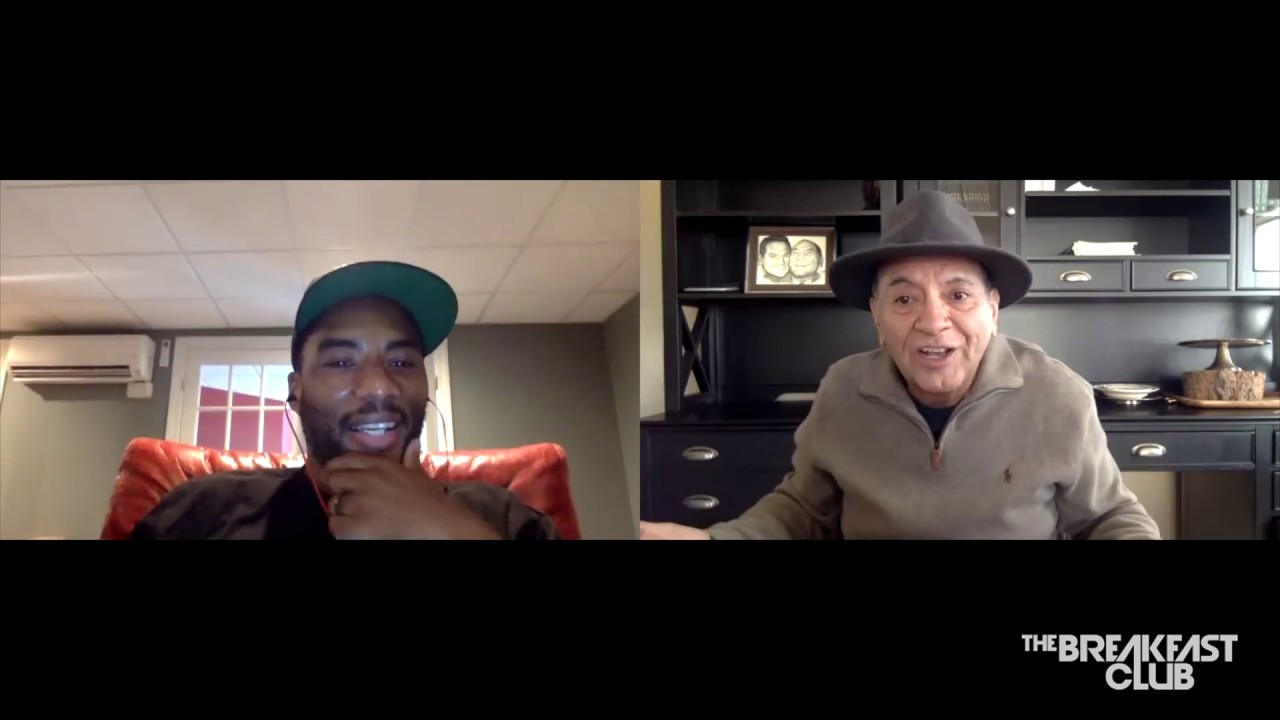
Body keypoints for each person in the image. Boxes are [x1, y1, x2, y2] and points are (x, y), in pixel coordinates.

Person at [641, 190, 1160, 540]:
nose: (933, 322)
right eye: (905, 299)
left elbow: (1112, 516)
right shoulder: (842, 389)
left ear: (993, 308)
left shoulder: (1058, 395)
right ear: (877, 315)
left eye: (958, 295)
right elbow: (801, 509)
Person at [131, 261, 559, 540]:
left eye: (401, 361)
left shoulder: (502, 518)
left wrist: (447, 531)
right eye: (340, 361)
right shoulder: (203, 512)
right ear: (296, 391)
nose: (380, 386)